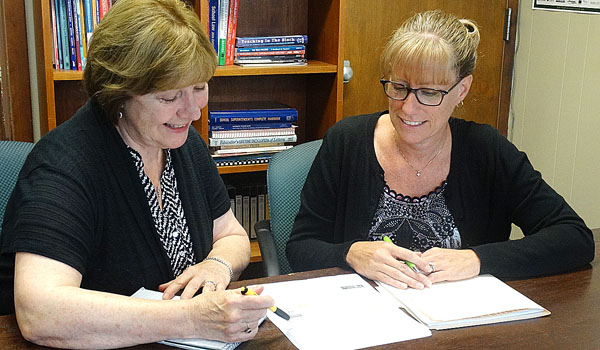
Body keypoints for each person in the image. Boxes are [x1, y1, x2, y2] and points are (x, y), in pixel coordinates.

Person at [0, 0, 273, 348]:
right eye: (170, 96)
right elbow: (39, 312)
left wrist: (217, 266)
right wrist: (191, 318)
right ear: (119, 92)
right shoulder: (65, 164)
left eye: (200, 87)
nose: (191, 111)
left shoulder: (183, 144)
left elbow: (231, 235)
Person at [286, 10, 594, 290]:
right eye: (399, 87)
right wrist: (350, 253)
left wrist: (477, 259)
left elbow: (574, 238)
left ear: (461, 89)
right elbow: (300, 247)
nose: (408, 107)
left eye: (429, 92)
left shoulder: (485, 150)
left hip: (460, 327)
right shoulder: (346, 142)